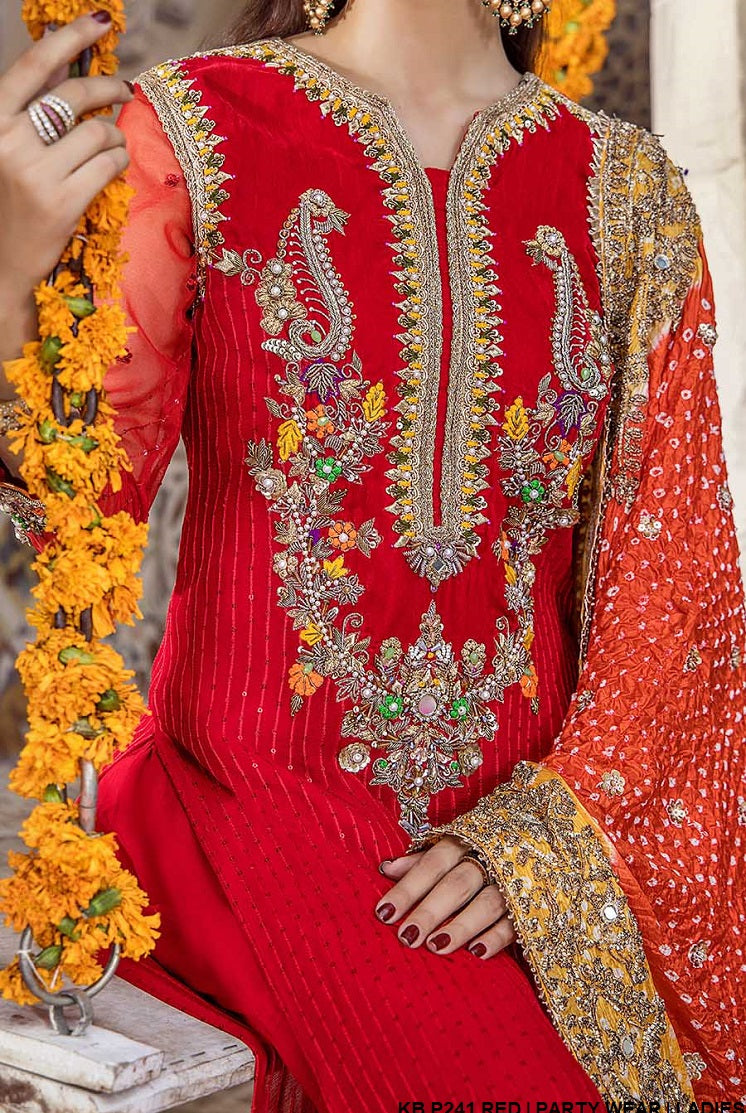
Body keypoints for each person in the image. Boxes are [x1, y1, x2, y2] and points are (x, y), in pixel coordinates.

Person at [1, 2, 744, 1109]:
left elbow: (674, 590)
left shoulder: (626, 191)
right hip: (241, 810)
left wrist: (544, 844)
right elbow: (79, 493)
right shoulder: (195, 130)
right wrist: (7, 278)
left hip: (530, 861)